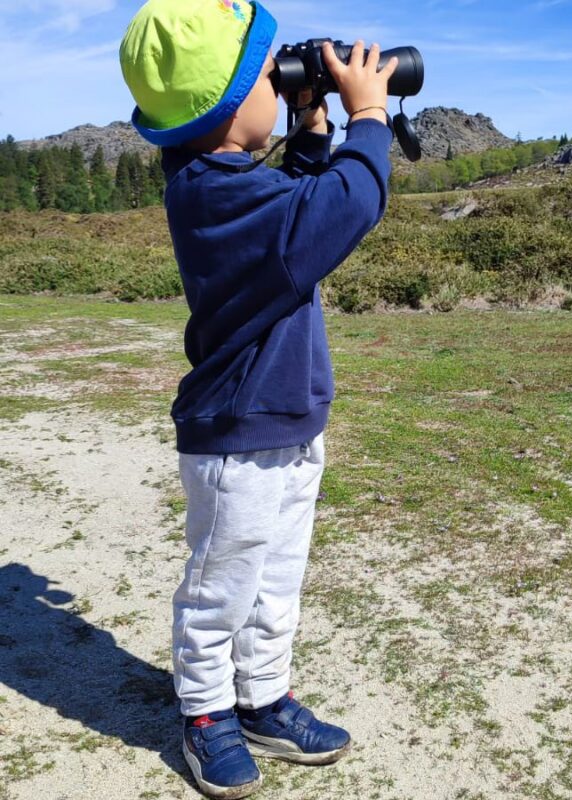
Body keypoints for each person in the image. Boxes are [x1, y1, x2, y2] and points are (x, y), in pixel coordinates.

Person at [119, 1, 398, 797]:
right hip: (238, 436)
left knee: (275, 583)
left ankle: (263, 699)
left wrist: (309, 121)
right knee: (222, 588)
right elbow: (339, 208)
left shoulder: (213, 180)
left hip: (285, 420)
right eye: (268, 75)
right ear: (227, 105)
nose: (283, 84)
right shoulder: (215, 197)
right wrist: (365, 115)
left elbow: (293, 207)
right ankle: (206, 713)